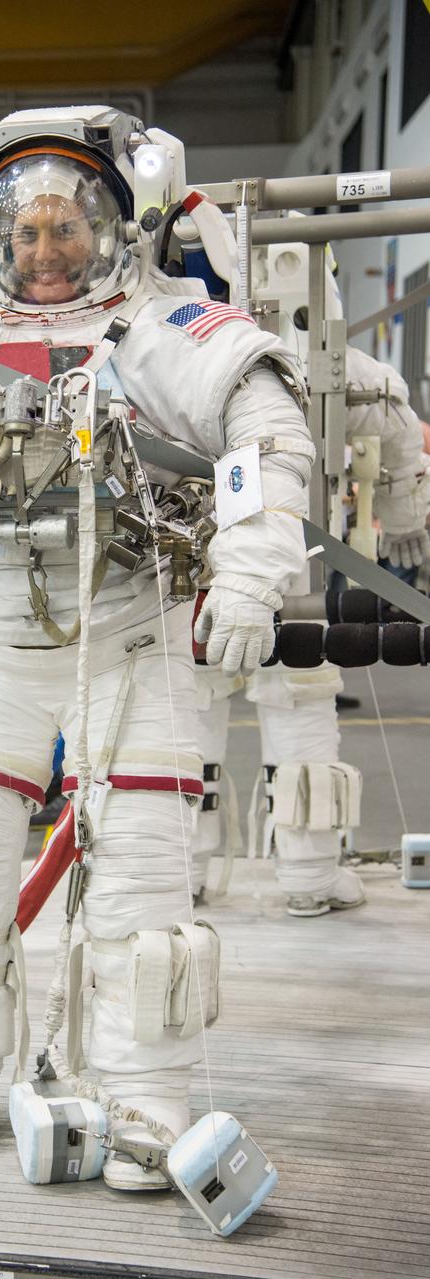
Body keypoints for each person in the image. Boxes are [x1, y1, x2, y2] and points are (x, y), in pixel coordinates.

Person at [0, 107, 314, 1189]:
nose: (43, 251)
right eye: (22, 232)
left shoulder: (174, 332)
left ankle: (140, 1094)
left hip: (140, 633)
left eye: (66, 229)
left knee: (136, 880)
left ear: (118, 230)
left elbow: (266, 445)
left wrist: (255, 576)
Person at [191, 233, 428, 914]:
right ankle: (308, 877)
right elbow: (395, 425)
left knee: (189, 718)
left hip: (193, 577)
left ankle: (188, 870)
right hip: (288, 570)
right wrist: (406, 518)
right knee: (296, 713)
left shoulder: (183, 367)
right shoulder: (337, 368)